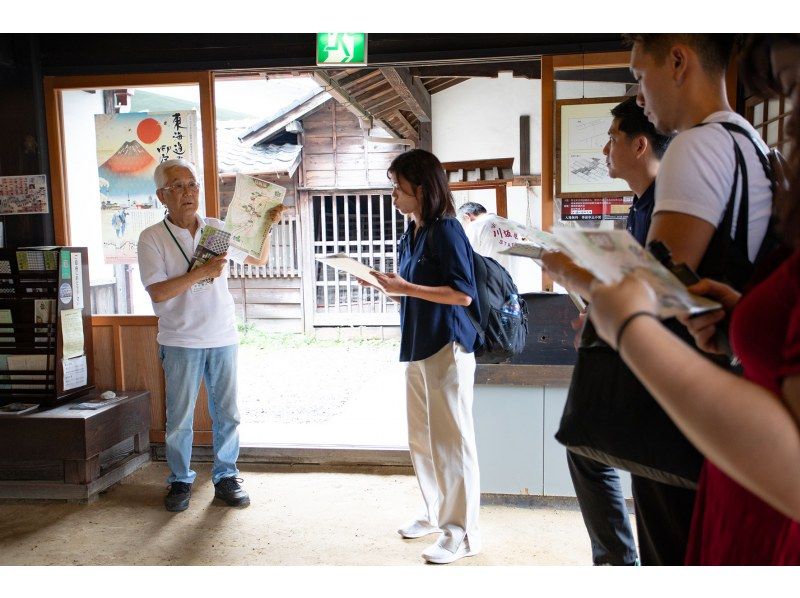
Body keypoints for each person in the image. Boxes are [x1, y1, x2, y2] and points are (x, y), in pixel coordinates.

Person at [571, 34, 800, 565]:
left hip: (693, 410)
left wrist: (584, 280)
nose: (639, 93)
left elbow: (652, 292)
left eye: (638, 74)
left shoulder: (696, 146)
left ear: (677, 61)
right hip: (735, 400)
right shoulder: (754, 147)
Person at [550, 96, 670, 566]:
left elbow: (659, 296)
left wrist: (571, 275)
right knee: (586, 448)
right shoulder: (640, 206)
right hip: (633, 351)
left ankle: (622, 564)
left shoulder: (669, 208)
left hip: (662, 362)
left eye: (612, 138)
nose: (604, 148)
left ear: (640, 145)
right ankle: (617, 564)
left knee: (648, 478)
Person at [137, 158, 283, 512]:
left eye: (192, 184)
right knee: (179, 418)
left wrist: (267, 225)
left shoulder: (216, 228)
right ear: (162, 195)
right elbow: (157, 292)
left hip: (222, 334)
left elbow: (257, 260)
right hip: (180, 339)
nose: (188, 192)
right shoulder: (151, 238)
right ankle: (180, 480)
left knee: (228, 413)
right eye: (178, 186)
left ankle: (226, 476)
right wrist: (201, 272)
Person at [363, 149, 482, 564]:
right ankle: (435, 514)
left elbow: (462, 293)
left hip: (446, 345)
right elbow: (411, 287)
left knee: (452, 443)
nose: (393, 193)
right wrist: (389, 286)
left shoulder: (447, 230)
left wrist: (406, 289)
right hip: (416, 343)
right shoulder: (411, 232)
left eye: (398, 186)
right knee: (422, 438)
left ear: (421, 188)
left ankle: (462, 534)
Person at [456, 202, 537, 293]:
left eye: (462, 224)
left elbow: (466, 260)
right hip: (512, 286)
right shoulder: (509, 224)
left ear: (467, 216)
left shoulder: (475, 226)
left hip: (488, 289)